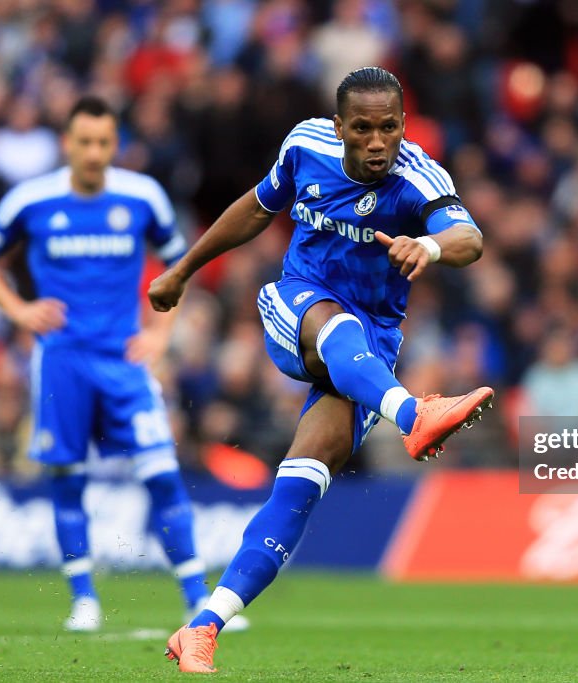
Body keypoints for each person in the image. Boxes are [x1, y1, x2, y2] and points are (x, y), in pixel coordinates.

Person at [150, 67, 494, 673]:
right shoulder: (305, 145)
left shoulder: (418, 177)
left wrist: (432, 246)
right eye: (362, 128)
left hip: (371, 358)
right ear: (340, 128)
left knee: (302, 484)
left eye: (389, 127)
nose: (377, 141)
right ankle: (414, 414)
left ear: (403, 125)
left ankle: (202, 628)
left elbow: (469, 237)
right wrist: (182, 269)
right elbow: (256, 210)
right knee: (338, 326)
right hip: (297, 306)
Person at [0, 96, 247, 633]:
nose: (93, 153)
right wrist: (19, 309)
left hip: (125, 361)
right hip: (62, 361)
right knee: (68, 482)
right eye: (84, 142)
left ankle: (197, 602)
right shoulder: (32, 199)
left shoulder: (142, 197)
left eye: (103, 143)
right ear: (67, 144)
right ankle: (84, 601)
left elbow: (179, 262)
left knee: (163, 476)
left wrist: (160, 332)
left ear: (114, 146)